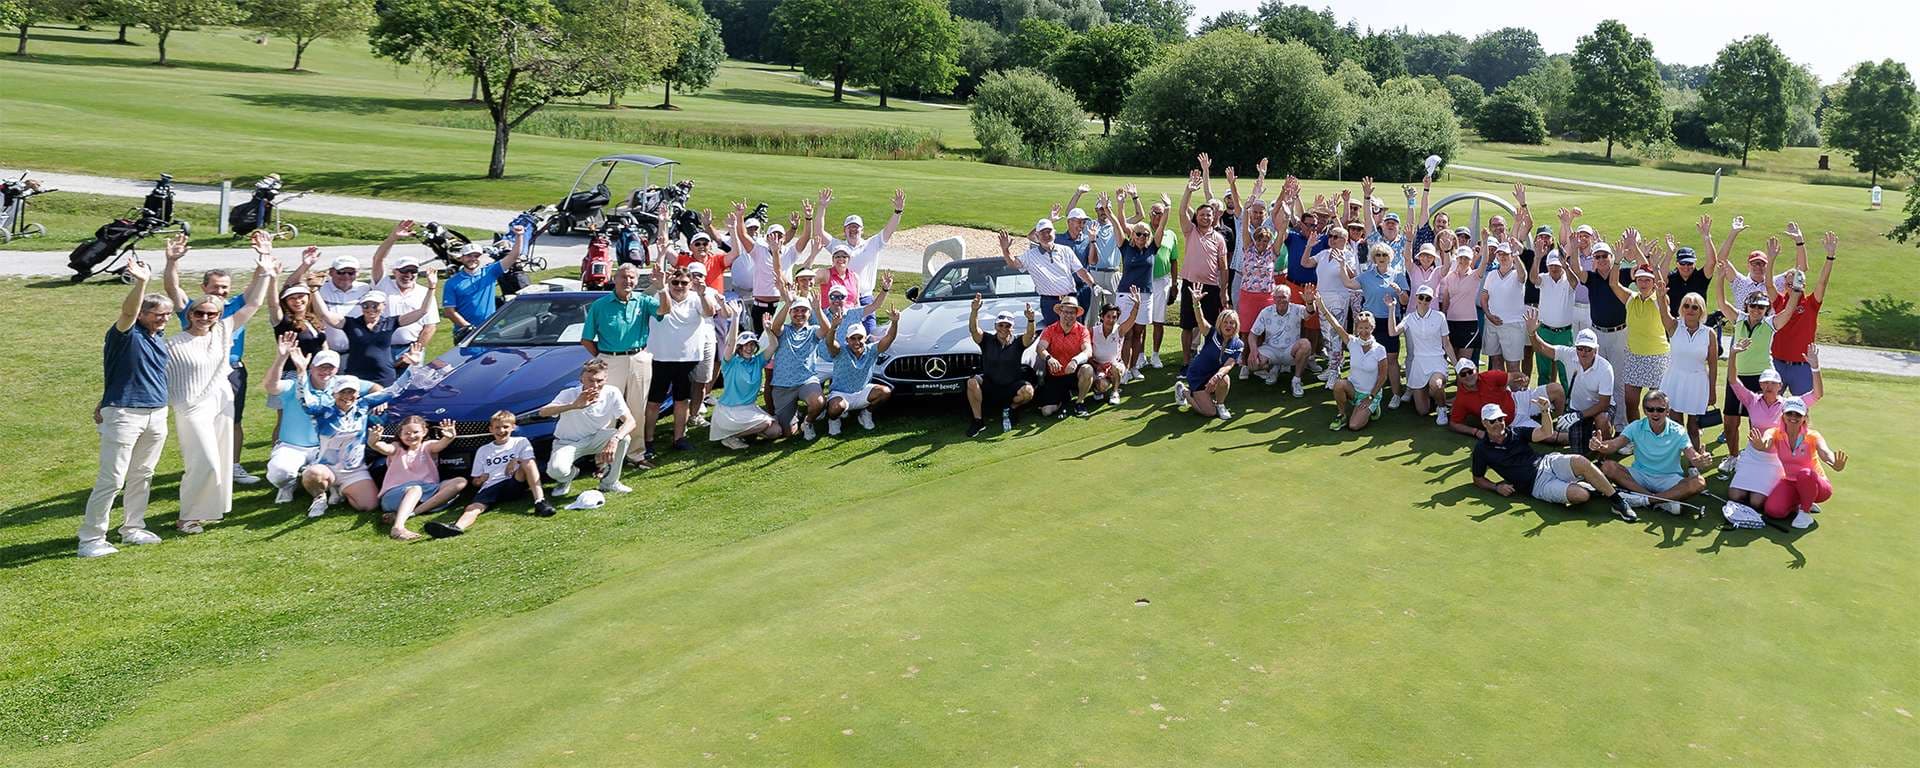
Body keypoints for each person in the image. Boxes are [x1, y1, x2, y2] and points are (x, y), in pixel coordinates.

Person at [166, 238, 274, 534]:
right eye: (199, 314)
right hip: (191, 405)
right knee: (205, 460)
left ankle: (206, 511)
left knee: (221, 458)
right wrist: (172, 262)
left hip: (222, 398)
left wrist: (265, 266)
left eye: (211, 315)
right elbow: (172, 290)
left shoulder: (225, 328)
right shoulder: (175, 342)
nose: (205, 318)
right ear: (189, 314)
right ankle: (187, 516)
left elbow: (254, 302)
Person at [80, 257, 172, 557]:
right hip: (125, 414)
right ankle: (91, 540)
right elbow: (128, 310)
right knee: (113, 478)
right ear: (143, 314)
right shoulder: (124, 333)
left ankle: (133, 528)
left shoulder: (159, 337)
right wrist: (142, 283)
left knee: (143, 474)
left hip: (157, 413)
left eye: (168, 314)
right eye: (159, 314)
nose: (164, 319)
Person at [1469, 403, 1639, 522]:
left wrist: (1545, 412)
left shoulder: (1516, 432)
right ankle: (1594, 487)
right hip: (1537, 485)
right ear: (1484, 423)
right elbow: (1478, 478)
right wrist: (1496, 487)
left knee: (1580, 461)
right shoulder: (1482, 449)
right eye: (1493, 421)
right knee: (1581, 496)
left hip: (1548, 462)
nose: (1498, 423)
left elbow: (1546, 432)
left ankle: (1618, 502)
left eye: (1500, 419)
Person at [262, 333, 374, 504]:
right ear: (311, 367)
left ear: (336, 370)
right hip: (293, 446)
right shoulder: (296, 383)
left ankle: (324, 484)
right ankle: (289, 485)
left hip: (326, 448)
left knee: (336, 470)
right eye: (321, 367)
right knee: (280, 473)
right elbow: (271, 386)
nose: (325, 372)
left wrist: (378, 404)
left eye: (330, 368)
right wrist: (281, 357)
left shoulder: (342, 384)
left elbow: (375, 387)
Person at [424, 410, 557, 538]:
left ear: (513, 427)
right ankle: (457, 527)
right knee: (473, 507)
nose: (501, 431)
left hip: (513, 482)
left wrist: (515, 461)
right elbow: (475, 482)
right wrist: (481, 479)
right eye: (497, 427)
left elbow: (529, 461)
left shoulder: (521, 441)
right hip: (491, 485)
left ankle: (540, 501)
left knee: (527, 463)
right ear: (491, 429)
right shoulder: (483, 450)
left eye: (505, 427)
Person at [1716, 283, 1800, 474]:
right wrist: (1720, 278)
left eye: (1761, 307)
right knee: (1730, 421)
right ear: (1747, 306)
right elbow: (1721, 302)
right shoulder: (1738, 319)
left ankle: (1755, 457)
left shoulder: (1770, 323)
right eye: (1753, 306)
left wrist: (1796, 291)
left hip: (1762, 379)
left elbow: (1788, 311)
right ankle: (1733, 457)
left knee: (1758, 422)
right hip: (1737, 377)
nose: (1756, 310)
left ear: (1766, 309)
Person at [580, 264, 659, 465]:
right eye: (623, 277)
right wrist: (603, 357)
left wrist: (662, 286)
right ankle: (603, 457)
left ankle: (636, 454)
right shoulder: (600, 305)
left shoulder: (643, 300)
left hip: (638, 358)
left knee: (637, 407)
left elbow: (664, 311)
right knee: (606, 408)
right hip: (609, 359)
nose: (628, 281)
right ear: (615, 279)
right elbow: (587, 339)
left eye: (632, 277)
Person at [1591, 389, 1712, 515]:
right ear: (1644, 411)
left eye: (1660, 409)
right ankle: (1660, 500)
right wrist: (1601, 446)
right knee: (1607, 466)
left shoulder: (1678, 431)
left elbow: (1692, 455)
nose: (1655, 413)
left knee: (1699, 482)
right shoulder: (1636, 426)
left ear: (1667, 411)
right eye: (1650, 409)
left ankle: (1644, 500)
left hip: (1669, 479)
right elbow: (1614, 444)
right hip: (1640, 475)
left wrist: (1699, 460)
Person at [1725, 360, 1824, 514]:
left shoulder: (1789, 404)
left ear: (1780, 386)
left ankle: (1798, 499)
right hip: (1752, 456)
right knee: (1735, 496)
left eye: (1773, 383)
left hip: (1774, 459)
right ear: (1760, 385)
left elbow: (1817, 394)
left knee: (1756, 502)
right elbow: (1733, 380)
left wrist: (1815, 367)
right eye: (1765, 383)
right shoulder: (1751, 400)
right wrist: (1733, 354)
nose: (1768, 386)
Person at [295, 371, 398, 517]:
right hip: (326, 467)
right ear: (334, 394)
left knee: (369, 505)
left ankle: (339, 490)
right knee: (313, 474)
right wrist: (301, 372)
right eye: (342, 392)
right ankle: (319, 497)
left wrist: (413, 365)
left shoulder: (363, 406)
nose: (347, 396)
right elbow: (304, 399)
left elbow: (394, 390)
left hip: (354, 471)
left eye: (352, 392)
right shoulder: (322, 411)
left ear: (358, 394)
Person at [312, 276, 438, 388]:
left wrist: (432, 288)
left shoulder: (391, 322)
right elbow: (324, 314)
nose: (370, 309)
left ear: (383, 306)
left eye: (375, 305)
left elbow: (422, 311)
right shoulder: (350, 323)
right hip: (356, 377)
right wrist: (314, 290)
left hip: (384, 377)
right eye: (366, 305)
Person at [643, 265, 716, 455]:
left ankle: (679, 438)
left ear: (690, 284)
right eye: (675, 282)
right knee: (653, 402)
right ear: (669, 282)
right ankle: (648, 440)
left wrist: (702, 293)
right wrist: (660, 285)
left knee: (682, 400)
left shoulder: (696, 298)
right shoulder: (659, 294)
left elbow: (709, 312)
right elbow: (645, 295)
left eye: (684, 283)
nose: (679, 286)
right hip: (659, 358)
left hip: (687, 360)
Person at [538, 358, 636, 499]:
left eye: (600, 381)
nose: (595, 385)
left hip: (596, 438)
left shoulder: (612, 392)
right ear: (581, 379)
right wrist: (574, 405)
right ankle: (567, 477)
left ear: (606, 379)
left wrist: (615, 439)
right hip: (567, 442)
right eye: (591, 380)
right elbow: (543, 412)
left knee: (624, 438)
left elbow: (630, 421)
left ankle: (609, 483)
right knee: (556, 471)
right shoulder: (569, 394)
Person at [1525, 312, 1615, 453]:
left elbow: (1604, 403)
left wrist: (1578, 416)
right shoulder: (1568, 354)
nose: (1583, 353)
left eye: (1588, 349)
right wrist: (1532, 334)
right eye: (1580, 348)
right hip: (1577, 409)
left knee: (1602, 420)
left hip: (1599, 409)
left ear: (1596, 350)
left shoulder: (1605, 368)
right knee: (1580, 451)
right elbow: (1542, 348)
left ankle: (1605, 454)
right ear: (1575, 347)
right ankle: (1590, 435)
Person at [1748, 397, 1846, 528]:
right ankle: (1803, 501)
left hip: (1818, 486)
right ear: (1783, 415)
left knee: (1805, 474)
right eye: (1789, 413)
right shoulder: (1774, 433)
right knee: (1773, 511)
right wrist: (1760, 445)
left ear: (1804, 417)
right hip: (1790, 481)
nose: (1793, 417)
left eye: (1798, 414)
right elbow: (1766, 442)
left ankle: (1805, 513)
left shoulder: (1813, 435)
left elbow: (1825, 452)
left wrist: (1834, 463)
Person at [1565, 226, 1629, 423]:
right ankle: (1598, 420)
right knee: (1597, 378)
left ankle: (1619, 423)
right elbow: (1576, 269)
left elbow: (1646, 271)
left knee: (1618, 382)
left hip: (1619, 334)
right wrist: (1574, 249)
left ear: (1611, 257)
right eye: (1597, 257)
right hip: (1597, 334)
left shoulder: (1622, 274)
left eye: (1604, 256)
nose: (1601, 260)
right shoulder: (1591, 278)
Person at [368, 416, 468, 541]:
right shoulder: (396, 447)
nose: (411, 436)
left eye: (416, 432)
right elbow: (385, 448)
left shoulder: (428, 446)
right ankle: (398, 528)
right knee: (415, 489)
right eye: (407, 433)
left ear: (424, 432)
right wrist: (374, 442)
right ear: (400, 434)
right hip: (395, 495)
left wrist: (449, 437)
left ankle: (411, 513)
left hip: (427, 491)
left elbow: (440, 444)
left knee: (460, 482)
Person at [1106, 190, 1167, 383]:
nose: (1141, 236)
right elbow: (1117, 224)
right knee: (1127, 332)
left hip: (1145, 296)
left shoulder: (1152, 248)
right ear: (1133, 235)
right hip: (1125, 295)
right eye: (1138, 233)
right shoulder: (1126, 246)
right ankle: (1123, 369)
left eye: (1145, 234)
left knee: (1139, 333)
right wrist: (1117, 206)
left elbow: (1162, 226)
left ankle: (1133, 367)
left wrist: (1168, 208)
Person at [1609, 230, 1670, 423]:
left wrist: (1655, 267)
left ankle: (1657, 436)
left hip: (1657, 356)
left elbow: (1661, 288)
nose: (1643, 283)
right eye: (1640, 280)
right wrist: (1617, 261)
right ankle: (1636, 437)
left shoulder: (1658, 298)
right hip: (1634, 356)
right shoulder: (1631, 298)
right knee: (1631, 401)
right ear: (1635, 281)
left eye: (1647, 280)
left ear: (1653, 283)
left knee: (1657, 405)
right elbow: (1613, 283)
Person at [268, 250, 327, 440]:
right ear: (286, 302)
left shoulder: (313, 319)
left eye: (302, 296)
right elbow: (272, 303)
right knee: (286, 418)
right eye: (292, 298)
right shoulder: (283, 321)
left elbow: (323, 346)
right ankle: (278, 453)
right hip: (292, 374)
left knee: (312, 417)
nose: (298, 300)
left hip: (315, 374)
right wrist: (272, 279)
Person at [767, 259, 829, 440]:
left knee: (818, 402)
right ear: (790, 313)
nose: (800, 314)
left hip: (805, 381)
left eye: (804, 311)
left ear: (809, 314)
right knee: (787, 435)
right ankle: (793, 419)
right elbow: (774, 328)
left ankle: (808, 421)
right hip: (783, 384)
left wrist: (818, 309)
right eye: (796, 311)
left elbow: (826, 330)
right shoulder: (784, 331)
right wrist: (788, 303)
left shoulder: (812, 332)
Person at [1770, 232, 1837, 396]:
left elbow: (1822, 282)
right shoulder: (1779, 301)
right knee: (1771, 408)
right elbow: (1768, 284)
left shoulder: (1811, 303)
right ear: (1784, 285)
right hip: (1778, 363)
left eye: (1796, 282)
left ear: (1803, 284)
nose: (1792, 286)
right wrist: (1771, 259)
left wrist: (1830, 256)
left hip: (1802, 366)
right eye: (1788, 283)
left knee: (1801, 411)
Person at [1178, 161, 1230, 369]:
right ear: (1197, 217)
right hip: (1190, 285)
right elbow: (1182, 211)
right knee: (1187, 326)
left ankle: (1209, 360)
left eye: (1209, 215)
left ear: (1214, 216)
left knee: (1210, 326)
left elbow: (1224, 267)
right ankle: (1186, 361)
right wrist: (1188, 190)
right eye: (1202, 215)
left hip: (1210, 287)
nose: (1205, 217)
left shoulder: (1219, 238)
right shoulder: (1190, 231)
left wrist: (1224, 291)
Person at [814, 186, 905, 306]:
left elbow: (889, 229)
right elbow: (818, 232)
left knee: (868, 325)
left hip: (866, 297)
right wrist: (822, 207)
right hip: (843, 298)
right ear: (844, 230)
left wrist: (898, 211)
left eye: (856, 227)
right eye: (850, 227)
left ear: (862, 230)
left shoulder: (872, 244)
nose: (853, 230)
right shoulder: (838, 247)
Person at [710, 304, 783, 449]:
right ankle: (730, 436)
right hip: (729, 411)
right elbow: (730, 342)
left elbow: (773, 345)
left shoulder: (757, 361)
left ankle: (746, 432)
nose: (749, 348)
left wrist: (768, 330)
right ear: (739, 347)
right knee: (766, 424)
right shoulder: (730, 362)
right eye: (745, 345)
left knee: (776, 431)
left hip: (749, 408)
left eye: (752, 345)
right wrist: (736, 317)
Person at [999, 220, 1096, 327]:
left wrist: (1093, 285)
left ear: (1054, 233)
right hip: (1049, 302)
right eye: (1042, 233)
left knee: (1075, 333)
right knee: (1054, 335)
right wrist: (1005, 250)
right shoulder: (1030, 255)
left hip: (1070, 299)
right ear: (1037, 236)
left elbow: (1081, 271)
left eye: (1049, 231)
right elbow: (1014, 264)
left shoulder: (1066, 250)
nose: (1046, 235)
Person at [965, 298, 1039, 437]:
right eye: (1001, 325)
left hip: (1012, 386)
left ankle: (1011, 409)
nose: (1004, 329)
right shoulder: (986, 340)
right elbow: (974, 329)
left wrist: (1031, 320)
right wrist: (974, 311)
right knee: (971, 382)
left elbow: (1029, 335)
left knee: (1028, 391)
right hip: (990, 384)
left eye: (1007, 325)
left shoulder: (1018, 341)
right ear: (995, 326)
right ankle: (978, 421)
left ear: (1012, 327)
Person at [821, 304, 900, 433]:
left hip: (862, 392)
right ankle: (834, 420)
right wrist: (834, 327)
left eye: (860, 338)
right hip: (841, 394)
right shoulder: (840, 351)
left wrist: (894, 323)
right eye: (853, 338)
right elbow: (829, 342)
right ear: (847, 339)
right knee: (835, 408)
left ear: (865, 338)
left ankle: (866, 414)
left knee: (885, 392)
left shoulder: (872, 350)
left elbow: (889, 338)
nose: (857, 342)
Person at [1657, 291, 1720, 451]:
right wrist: (1660, 293)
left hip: (1697, 383)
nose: (1690, 310)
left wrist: (1712, 391)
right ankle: (1674, 459)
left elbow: (1713, 364)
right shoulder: (1673, 326)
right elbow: (1663, 310)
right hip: (1674, 380)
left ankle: (1694, 463)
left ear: (1701, 311)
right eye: (1686, 306)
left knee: (1694, 426)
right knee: (1676, 425)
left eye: (1695, 307)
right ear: (1681, 308)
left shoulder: (1709, 333)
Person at [369, 232, 441, 369]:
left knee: (408, 387)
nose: (408, 275)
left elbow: (430, 326)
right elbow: (378, 259)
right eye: (404, 271)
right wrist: (394, 237)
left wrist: (416, 350)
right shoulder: (382, 285)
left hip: (411, 349)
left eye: (413, 271)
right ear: (395, 272)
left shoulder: (425, 292)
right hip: (382, 348)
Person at [1315, 299, 1387, 431]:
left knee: (1354, 426)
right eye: (1361, 328)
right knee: (1338, 385)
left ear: (1372, 328)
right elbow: (1336, 325)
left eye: (1367, 328)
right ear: (1356, 329)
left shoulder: (1380, 349)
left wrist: (1370, 397)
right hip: (1353, 390)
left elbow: (1382, 377)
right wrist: (1322, 307)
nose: (1364, 331)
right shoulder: (1352, 342)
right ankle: (1341, 415)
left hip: (1370, 394)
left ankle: (1374, 408)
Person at [1301, 221, 1359, 383]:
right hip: (1322, 299)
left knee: (1335, 335)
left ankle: (1334, 372)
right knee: (1327, 335)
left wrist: (1343, 263)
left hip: (1339, 299)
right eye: (1330, 236)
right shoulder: (1323, 254)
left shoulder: (1348, 255)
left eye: (1336, 237)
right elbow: (1305, 263)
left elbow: (1353, 276)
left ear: (1344, 240)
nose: (1332, 239)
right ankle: (1333, 367)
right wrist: (1309, 246)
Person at [441, 226, 524, 338]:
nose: (473, 259)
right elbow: (449, 312)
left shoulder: (490, 272)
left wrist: (519, 236)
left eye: (476, 256)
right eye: (469, 256)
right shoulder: (452, 283)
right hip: (465, 332)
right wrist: (469, 328)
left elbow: (513, 256)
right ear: (461, 258)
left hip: (490, 330)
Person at [1356, 242, 1411, 406]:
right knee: (1369, 358)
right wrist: (1342, 265)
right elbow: (1349, 284)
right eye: (1378, 255)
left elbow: (1405, 300)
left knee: (1391, 359)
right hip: (1370, 322)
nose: (1381, 258)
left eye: (1384, 255)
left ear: (1390, 257)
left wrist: (1399, 291)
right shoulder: (1366, 275)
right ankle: (1368, 393)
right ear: (1374, 258)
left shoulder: (1398, 275)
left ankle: (1395, 394)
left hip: (1390, 321)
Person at [1393, 283, 1457, 421]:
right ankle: (1432, 394)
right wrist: (1392, 309)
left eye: (1427, 298)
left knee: (1437, 384)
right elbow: (1393, 332)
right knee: (1422, 411)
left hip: (1437, 362)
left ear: (1431, 300)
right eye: (1421, 297)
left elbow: (1446, 344)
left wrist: (1457, 365)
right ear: (1416, 298)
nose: (1424, 301)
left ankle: (1441, 408)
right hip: (1418, 365)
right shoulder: (1409, 318)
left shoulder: (1440, 316)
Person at [1175, 296, 1241, 420]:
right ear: (1220, 324)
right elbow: (1200, 320)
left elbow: (1229, 364)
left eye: (1232, 323)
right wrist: (1196, 304)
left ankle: (1220, 405)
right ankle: (1184, 391)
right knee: (1209, 412)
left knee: (1224, 378)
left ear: (1236, 325)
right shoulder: (1212, 333)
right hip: (1197, 375)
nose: (1228, 325)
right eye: (1225, 322)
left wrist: (1217, 376)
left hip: (1214, 375)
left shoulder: (1238, 344)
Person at [1033, 294, 1095, 418]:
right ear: (1060, 312)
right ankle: (1064, 399)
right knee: (1046, 412)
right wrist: (1049, 358)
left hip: (1074, 373)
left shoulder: (1082, 330)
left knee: (1087, 370)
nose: (1068, 315)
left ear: (1076, 314)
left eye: (1072, 313)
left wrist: (1075, 361)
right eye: (1066, 312)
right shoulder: (1050, 329)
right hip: (1055, 375)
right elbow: (1040, 348)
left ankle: (1080, 402)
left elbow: (1088, 351)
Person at [1478, 239, 1529, 387]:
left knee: (1513, 367)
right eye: (1500, 254)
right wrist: (1488, 314)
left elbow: (1523, 276)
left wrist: (1516, 254)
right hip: (1492, 324)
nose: (1502, 257)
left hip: (1512, 326)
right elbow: (1484, 297)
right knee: (1496, 362)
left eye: (1506, 254)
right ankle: (1500, 396)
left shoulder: (1517, 273)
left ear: (1512, 255)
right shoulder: (1492, 274)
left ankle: (1517, 400)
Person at [1248, 283, 1314, 396]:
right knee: (1253, 365)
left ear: (1290, 298)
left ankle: (1296, 380)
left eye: (1284, 297)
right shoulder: (1266, 312)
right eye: (1278, 297)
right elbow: (1253, 334)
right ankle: (1274, 368)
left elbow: (1310, 313)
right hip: (1271, 350)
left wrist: (1309, 302)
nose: (1281, 300)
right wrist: (1253, 351)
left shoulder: (1297, 309)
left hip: (1290, 350)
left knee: (1306, 344)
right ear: (1273, 299)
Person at [1528, 246, 1578, 390]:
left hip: (1564, 334)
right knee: (1544, 372)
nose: (1554, 269)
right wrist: (1537, 258)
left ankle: (1569, 405)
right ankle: (1542, 402)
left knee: (1565, 372)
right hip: (1544, 331)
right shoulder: (1544, 278)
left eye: (1557, 265)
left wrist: (1566, 266)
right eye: (1551, 266)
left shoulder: (1568, 280)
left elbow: (1575, 283)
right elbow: (1533, 279)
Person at [1088, 288, 1144, 405]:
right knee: (1102, 386)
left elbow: (1132, 319)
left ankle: (1115, 392)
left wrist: (1137, 305)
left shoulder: (1120, 330)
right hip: (1098, 367)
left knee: (1115, 366)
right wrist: (1096, 367)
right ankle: (1098, 388)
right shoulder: (1092, 331)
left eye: (1114, 317)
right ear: (1102, 317)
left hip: (1116, 365)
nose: (1111, 320)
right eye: (1108, 316)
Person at [1438, 244, 1485, 369]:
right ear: (1457, 259)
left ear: (1471, 260)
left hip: (1469, 323)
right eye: (1461, 258)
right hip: (1451, 323)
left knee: (1464, 363)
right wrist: (1443, 317)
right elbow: (1446, 299)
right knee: (1454, 362)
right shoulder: (1450, 276)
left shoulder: (1475, 275)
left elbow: (1484, 262)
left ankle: (1464, 388)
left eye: (1466, 258)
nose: (1463, 261)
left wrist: (1485, 242)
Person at [1444, 357, 1512, 440]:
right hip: (1514, 423)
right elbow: (1454, 424)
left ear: (1476, 370)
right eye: (1463, 374)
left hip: (1520, 400)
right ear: (1459, 377)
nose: (1468, 376)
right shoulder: (1461, 399)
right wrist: (1476, 432)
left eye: (1470, 372)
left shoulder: (1490, 376)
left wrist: (1522, 383)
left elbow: (1514, 377)